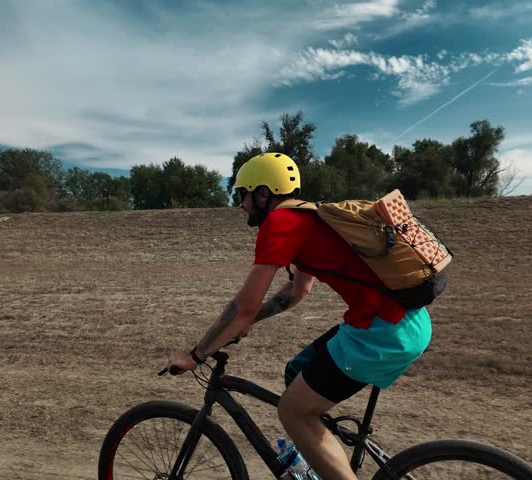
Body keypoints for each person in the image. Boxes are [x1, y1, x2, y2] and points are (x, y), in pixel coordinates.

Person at [166, 152, 432, 480]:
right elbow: (295, 292)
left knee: (292, 412)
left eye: (242, 195)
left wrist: (196, 354)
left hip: (381, 333)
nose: (240, 205)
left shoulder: (280, 223)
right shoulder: (308, 216)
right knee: (297, 372)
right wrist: (251, 321)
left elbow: (242, 306)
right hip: (405, 321)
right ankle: (319, 459)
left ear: (263, 193)